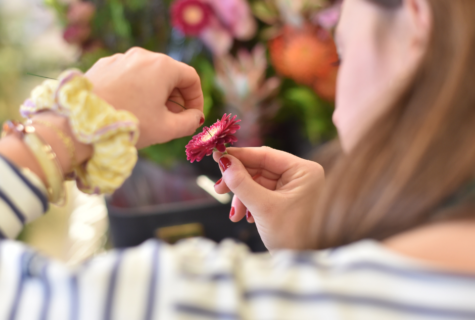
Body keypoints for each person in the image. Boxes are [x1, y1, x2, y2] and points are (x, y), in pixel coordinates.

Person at [0, 0, 474, 319]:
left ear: (417, 26)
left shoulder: (210, 297)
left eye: (340, 56)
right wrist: (315, 252)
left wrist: (72, 124)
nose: (335, 104)